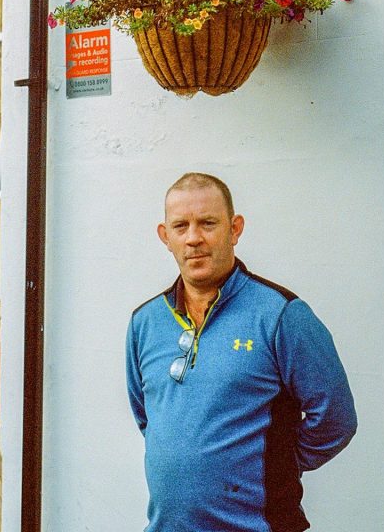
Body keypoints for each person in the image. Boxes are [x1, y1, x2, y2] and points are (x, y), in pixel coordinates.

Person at [125, 172, 357, 532]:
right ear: (165, 236)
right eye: (181, 226)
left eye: (208, 223)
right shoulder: (145, 322)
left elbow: (336, 419)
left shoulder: (280, 314)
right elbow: (149, 420)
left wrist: (273, 464)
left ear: (235, 229)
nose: (194, 238)